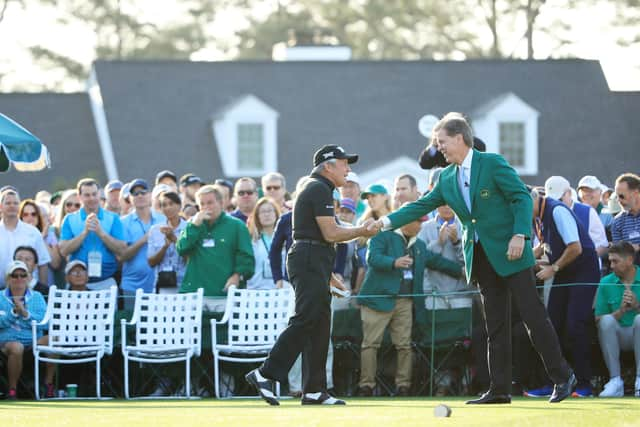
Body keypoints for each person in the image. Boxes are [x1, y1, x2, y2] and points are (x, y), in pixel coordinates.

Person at [369, 112, 574, 404]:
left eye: (442, 142)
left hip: (512, 253)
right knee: (495, 327)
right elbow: (421, 205)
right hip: (480, 259)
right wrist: (383, 223)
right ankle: (500, 389)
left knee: (533, 318)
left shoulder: (491, 162)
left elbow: (521, 198)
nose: (438, 147)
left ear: (459, 138)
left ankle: (563, 377)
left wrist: (521, 235)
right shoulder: (446, 177)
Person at [245, 144, 376, 406]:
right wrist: (363, 230)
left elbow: (319, 236)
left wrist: (327, 274)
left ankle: (315, 390)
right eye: (344, 164)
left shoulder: (320, 188)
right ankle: (265, 373)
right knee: (305, 319)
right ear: (328, 166)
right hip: (308, 259)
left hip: (314, 259)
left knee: (320, 325)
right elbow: (330, 233)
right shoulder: (317, 188)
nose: (348, 171)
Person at [357, 213, 464, 397]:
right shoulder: (382, 235)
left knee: (404, 345)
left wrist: (464, 272)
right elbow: (372, 258)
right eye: (418, 221)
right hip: (378, 299)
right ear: (406, 222)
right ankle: (366, 386)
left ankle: (403, 386)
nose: (422, 225)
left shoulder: (419, 245)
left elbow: (437, 261)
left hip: (404, 301)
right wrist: (394, 262)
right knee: (370, 344)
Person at [527, 189, 600, 398]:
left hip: (583, 270)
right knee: (552, 326)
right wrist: (535, 255)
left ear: (532, 199)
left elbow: (575, 248)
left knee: (575, 325)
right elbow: (546, 246)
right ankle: (556, 383)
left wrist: (554, 268)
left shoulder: (557, 210)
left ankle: (584, 384)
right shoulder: (536, 215)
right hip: (565, 271)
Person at [176, 185, 254, 308]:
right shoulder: (193, 224)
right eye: (202, 204)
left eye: (210, 203)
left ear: (221, 203)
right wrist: (194, 226)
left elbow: (247, 258)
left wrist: (237, 275)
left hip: (224, 294)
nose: (206, 207)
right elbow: (181, 249)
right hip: (194, 293)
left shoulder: (237, 226)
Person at [58, 178, 126, 290]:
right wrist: (84, 233)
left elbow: (122, 250)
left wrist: (101, 233)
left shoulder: (113, 218)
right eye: (87, 195)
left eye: (94, 194)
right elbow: (64, 250)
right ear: (80, 197)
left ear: (99, 194)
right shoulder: (69, 219)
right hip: (78, 284)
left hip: (106, 281)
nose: (92, 198)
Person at [0, 260, 53, 399]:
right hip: (8, 341)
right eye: (14, 275)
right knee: (16, 347)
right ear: (8, 278)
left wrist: (25, 314)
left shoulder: (37, 297)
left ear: (28, 278)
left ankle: (49, 385)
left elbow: (45, 323)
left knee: (53, 340)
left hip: (34, 341)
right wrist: (14, 313)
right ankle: (12, 390)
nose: (19, 278)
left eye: (23, 275)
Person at [594, 241, 640, 397]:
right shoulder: (605, 282)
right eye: (610, 261)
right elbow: (598, 319)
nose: (611, 265)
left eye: (615, 261)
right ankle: (615, 381)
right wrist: (620, 311)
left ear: (629, 260)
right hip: (617, 336)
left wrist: (637, 306)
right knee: (607, 320)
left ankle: (639, 380)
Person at [119, 179, 165, 307]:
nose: (140, 196)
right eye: (135, 193)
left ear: (150, 195)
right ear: (130, 198)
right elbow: (122, 256)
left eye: (143, 192)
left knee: (157, 325)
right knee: (132, 326)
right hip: (132, 286)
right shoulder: (123, 222)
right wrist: (144, 239)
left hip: (160, 283)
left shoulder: (163, 219)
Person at [418, 204, 472, 309]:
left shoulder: (465, 226)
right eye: (442, 204)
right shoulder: (425, 228)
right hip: (434, 295)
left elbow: (470, 260)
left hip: (462, 294)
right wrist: (438, 243)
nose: (447, 207)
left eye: (450, 204)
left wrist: (456, 242)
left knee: (462, 324)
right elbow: (421, 257)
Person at [0, 189, 51, 288]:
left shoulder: (33, 232)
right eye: (8, 203)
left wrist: (42, 293)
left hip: (29, 291)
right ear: (1, 207)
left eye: (15, 203)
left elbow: (43, 264)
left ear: (19, 206)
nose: (12, 206)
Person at [147, 191, 187, 294]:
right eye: (164, 205)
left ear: (179, 206)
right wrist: (164, 247)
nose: (168, 208)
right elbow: (151, 262)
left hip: (184, 285)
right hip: (162, 285)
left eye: (171, 203)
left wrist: (174, 239)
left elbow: (192, 260)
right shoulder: (155, 230)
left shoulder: (189, 228)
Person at [246, 197, 281, 290]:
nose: (266, 214)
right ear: (257, 216)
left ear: (276, 213)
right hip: (256, 289)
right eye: (262, 212)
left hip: (280, 291)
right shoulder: (251, 240)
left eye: (270, 210)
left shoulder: (284, 239)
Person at [612, 173, 640, 263]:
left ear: (636, 193)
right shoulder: (617, 221)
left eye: (621, 196)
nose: (619, 200)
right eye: (617, 197)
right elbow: (618, 253)